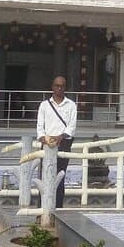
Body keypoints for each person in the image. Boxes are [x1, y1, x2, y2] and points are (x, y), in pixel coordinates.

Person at [36, 75, 77, 208]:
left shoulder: (71, 105)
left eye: (62, 86)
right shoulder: (44, 105)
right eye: (57, 86)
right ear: (52, 87)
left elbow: (71, 126)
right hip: (47, 144)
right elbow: (40, 127)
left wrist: (61, 137)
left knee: (60, 176)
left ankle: (58, 209)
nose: (59, 88)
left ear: (65, 88)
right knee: (45, 176)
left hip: (63, 143)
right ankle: (42, 209)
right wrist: (44, 138)